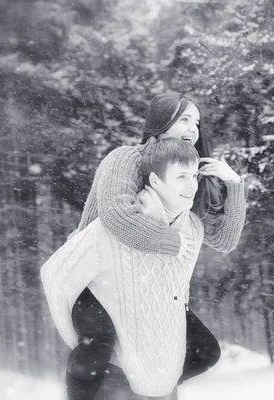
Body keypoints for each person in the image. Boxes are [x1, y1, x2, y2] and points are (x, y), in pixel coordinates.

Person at [57, 92, 246, 399]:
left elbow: (223, 240)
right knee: (98, 347)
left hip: (151, 287)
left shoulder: (189, 172)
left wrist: (234, 185)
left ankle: (147, 385)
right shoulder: (127, 159)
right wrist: (171, 242)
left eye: (197, 122)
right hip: (97, 278)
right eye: (184, 118)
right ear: (160, 122)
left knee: (205, 351)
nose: (193, 128)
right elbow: (117, 215)